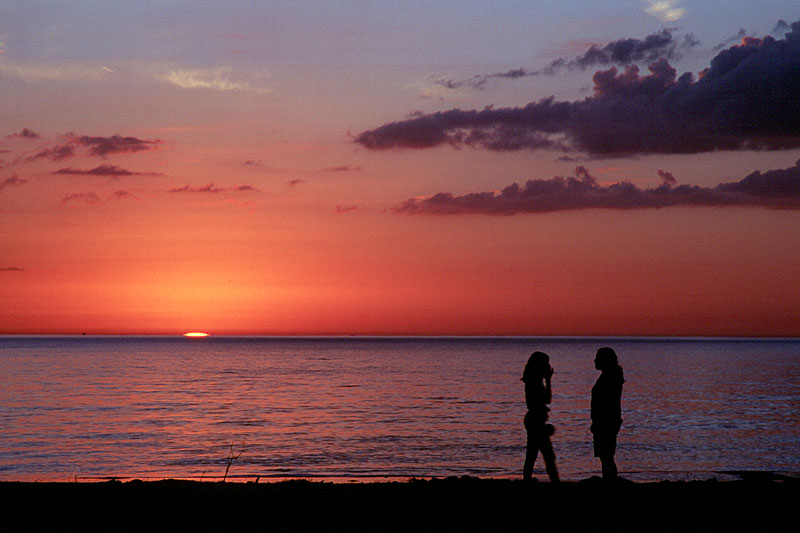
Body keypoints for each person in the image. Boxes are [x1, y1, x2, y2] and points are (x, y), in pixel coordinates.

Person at [521, 351, 559, 482]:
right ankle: (555, 482)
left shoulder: (534, 381)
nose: (548, 367)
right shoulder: (534, 383)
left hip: (535, 420)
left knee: (533, 454)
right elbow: (547, 400)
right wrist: (548, 380)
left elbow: (546, 400)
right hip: (536, 420)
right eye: (546, 364)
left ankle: (527, 480)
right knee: (546, 456)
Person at [591, 347, 624, 480]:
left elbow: (607, 402)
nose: (594, 360)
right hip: (606, 421)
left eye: (597, 358)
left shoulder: (610, 377)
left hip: (606, 421)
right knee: (606, 456)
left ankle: (610, 483)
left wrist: (598, 421)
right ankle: (610, 481)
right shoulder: (609, 375)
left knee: (606, 456)